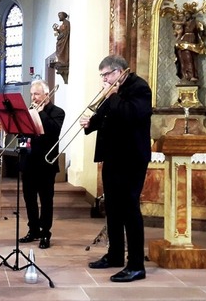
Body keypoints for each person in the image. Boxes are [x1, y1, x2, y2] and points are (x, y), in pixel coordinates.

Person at [79, 54, 152, 283]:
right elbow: (105, 118)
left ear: (120, 72)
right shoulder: (112, 92)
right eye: (101, 76)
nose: (104, 79)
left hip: (131, 158)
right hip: (112, 157)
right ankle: (115, 255)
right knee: (112, 209)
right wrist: (90, 123)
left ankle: (136, 265)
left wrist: (112, 95)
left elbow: (131, 115)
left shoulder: (140, 88)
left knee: (130, 210)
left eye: (106, 75)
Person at [18, 79, 65, 249]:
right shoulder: (28, 111)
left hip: (46, 163)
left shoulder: (58, 112)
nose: (33, 98)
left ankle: (46, 233)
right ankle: (33, 230)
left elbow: (53, 132)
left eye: (36, 94)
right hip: (29, 162)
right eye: (31, 94)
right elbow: (22, 134)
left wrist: (40, 112)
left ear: (47, 94)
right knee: (29, 199)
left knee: (46, 200)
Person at [172, 4, 206, 83]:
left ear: (191, 15)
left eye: (187, 14)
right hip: (183, 42)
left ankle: (192, 76)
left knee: (190, 59)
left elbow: (203, 33)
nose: (186, 16)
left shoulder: (197, 23)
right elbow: (178, 26)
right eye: (185, 15)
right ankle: (185, 76)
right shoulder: (184, 23)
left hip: (192, 42)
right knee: (183, 60)